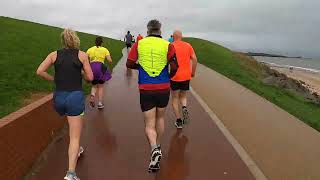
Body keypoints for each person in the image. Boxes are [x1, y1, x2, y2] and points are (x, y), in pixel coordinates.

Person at [36, 29, 93, 180]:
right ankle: (71, 174)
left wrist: (53, 79)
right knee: (75, 136)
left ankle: (78, 148)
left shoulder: (54, 54)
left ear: (63, 40)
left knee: (74, 125)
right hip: (74, 97)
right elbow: (90, 77)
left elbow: (40, 71)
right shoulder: (82, 55)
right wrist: (82, 73)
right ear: (75, 40)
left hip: (59, 98)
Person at [126, 19, 178, 173]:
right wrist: (168, 76)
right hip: (163, 87)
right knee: (160, 118)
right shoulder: (168, 45)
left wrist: (140, 67)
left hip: (146, 88)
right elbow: (175, 66)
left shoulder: (139, 44)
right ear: (160, 31)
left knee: (149, 124)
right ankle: (159, 145)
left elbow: (129, 63)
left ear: (148, 30)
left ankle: (154, 148)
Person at [170, 30, 198, 129]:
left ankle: (179, 121)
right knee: (183, 95)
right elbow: (195, 59)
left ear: (173, 37)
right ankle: (184, 107)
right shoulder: (188, 45)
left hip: (174, 76)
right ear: (181, 36)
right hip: (186, 76)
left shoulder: (170, 46)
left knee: (174, 98)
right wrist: (193, 72)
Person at [86, 37, 113, 109]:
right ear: (102, 42)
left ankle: (92, 96)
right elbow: (109, 60)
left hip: (92, 67)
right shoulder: (105, 49)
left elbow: (86, 59)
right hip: (100, 67)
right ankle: (100, 103)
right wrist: (109, 60)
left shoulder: (90, 49)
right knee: (100, 86)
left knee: (94, 85)